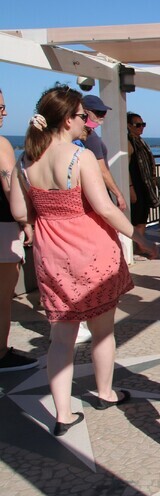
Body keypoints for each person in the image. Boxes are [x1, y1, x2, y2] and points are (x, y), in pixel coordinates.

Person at [8, 85, 157, 436]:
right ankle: (105, 393)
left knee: (61, 338)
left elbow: (19, 211)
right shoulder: (80, 157)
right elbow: (105, 208)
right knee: (103, 332)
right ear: (66, 120)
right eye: (82, 116)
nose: (87, 122)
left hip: (51, 255)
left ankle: (63, 414)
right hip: (92, 253)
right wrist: (138, 237)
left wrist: (39, 220)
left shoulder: (25, 161)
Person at [0, 87, 37, 372]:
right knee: (3, 294)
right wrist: (26, 221)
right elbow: (10, 186)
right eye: (0, 108)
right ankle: (1, 352)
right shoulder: (1, 144)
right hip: (2, 227)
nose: (5, 113)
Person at [81, 95, 127, 212]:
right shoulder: (90, 137)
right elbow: (102, 170)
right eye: (98, 112)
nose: (103, 116)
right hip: (97, 188)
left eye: (104, 113)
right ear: (85, 113)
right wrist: (118, 194)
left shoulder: (84, 135)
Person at [127, 113, 159, 254]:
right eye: (138, 125)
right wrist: (130, 188)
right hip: (137, 185)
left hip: (145, 185)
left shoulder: (140, 142)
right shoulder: (129, 143)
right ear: (129, 126)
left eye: (143, 124)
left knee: (142, 217)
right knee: (137, 218)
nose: (141, 127)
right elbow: (126, 167)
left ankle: (140, 246)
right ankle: (139, 247)